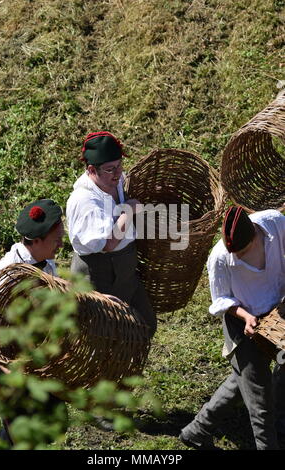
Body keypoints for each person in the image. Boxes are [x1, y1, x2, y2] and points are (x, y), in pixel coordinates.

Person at [179, 206, 285, 450]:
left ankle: (197, 430)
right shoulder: (219, 257)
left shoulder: (276, 225)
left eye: (243, 251)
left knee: (247, 380)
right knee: (260, 402)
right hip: (244, 326)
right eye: (232, 252)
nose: (236, 256)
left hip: (278, 314)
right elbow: (222, 300)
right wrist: (246, 317)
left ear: (256, 235)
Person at [0, 199, 67, 448]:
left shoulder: (45, 261)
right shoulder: (5, 275)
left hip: (34, 355)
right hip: (2, 361)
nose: (61, 245)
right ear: (38, 241)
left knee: (56, 422)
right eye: (56, 240)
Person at [66, 131, 157, 338]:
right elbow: (108, 243)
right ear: (91, 170)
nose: (117, 174)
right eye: (110, 169)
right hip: (99, 275)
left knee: (146, 325)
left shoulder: (113, 180)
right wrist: (128, 210)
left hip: (124, 271)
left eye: (119, 166)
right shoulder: (85, 201)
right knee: (103, 336)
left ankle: (129, 367)